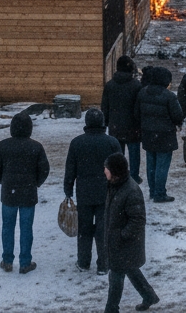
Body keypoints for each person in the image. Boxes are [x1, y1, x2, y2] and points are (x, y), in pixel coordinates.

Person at [0, 112, 49, 273]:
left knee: (7, 227)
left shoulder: (3, 146)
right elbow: (44, 169)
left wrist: (4, 181)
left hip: (9, 192)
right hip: (28, 193)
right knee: (26, 228)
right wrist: (36, 183)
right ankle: (25, 262)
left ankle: (7, 261)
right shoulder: (36, 147)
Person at [64, 109, 121, 274]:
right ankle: (103, 264)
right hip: (106, 192)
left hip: (84, 192)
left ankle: (83, 262)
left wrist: (68, 190)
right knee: (104, 230)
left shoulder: (77, 143)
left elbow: (70, 170)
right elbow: (119, 169)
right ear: (103, 122)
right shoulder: (111, 142)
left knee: (84, 230)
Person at [102, 153, 159, 313]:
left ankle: (111, 309)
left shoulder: (130, 191)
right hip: (120, 242)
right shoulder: (115, 185)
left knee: (116, 275)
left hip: (125, 243)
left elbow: (138, 220)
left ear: (115, 172)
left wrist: (121, 236)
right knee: (130, 269)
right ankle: (149, 296)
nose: (104, 171)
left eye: (106, 169)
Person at [135, 67, 183, 202]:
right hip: (165, 135)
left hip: (148, 134)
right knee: (162, 165)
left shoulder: (142, 93)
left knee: (151, 164)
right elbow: (177, 116)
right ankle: (160, 193)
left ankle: (152, 191)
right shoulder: (169, 96)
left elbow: (136, 114)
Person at [102, 56, 144, 184]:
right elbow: (139, 107)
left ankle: (117, 175)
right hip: (133, 125)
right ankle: (134, 176)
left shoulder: (110, 85)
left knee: (117, 154)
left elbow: (105, 106)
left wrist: (106, 123)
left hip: (115, 125)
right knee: (134, 153)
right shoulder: (136, 85)